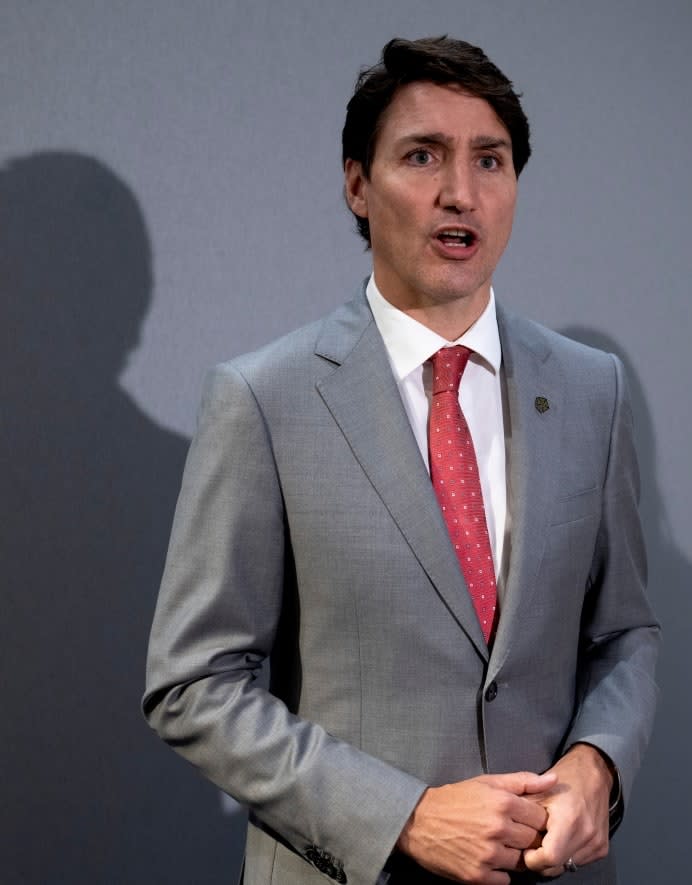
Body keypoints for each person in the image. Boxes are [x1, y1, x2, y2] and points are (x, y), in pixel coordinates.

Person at [143, 36, 659, 885]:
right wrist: (406, 815)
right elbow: (193, 684)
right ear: (357, 183)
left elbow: (625, 631)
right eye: (424, 156)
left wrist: (598, 763)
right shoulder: (264, 397)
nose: (461, 192)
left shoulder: (591, 389)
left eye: (489, 161)